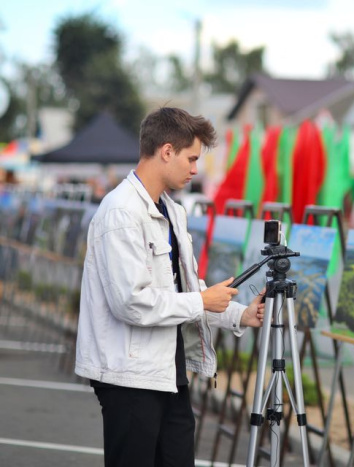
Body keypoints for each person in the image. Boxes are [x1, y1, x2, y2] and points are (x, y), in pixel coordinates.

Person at [74, 107, 265, 467]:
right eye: (191, 158)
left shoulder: (172, 211)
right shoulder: (121, 212)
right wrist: (202, 300)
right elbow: (131, 303)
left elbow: (186, 289)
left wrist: (243, 314)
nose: (195, 169)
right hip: (129, 378)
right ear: (166, 151)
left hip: (166, 373)